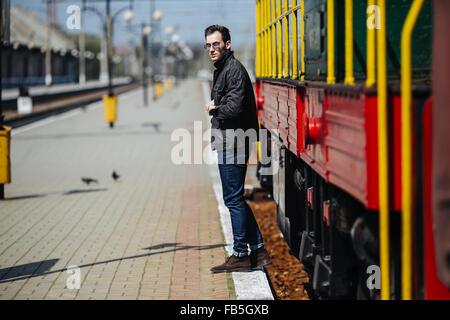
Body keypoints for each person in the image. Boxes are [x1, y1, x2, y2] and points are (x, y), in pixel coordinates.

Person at [204, 25, 271, 273]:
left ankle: (241, 253)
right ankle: (259, 249)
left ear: (227, 45)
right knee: (235, 198)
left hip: (234, 140)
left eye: (216, 44)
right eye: (208, 45)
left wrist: (214, 107)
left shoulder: (234, 71)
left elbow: (233, 107)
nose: (212, 49)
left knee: (232, 199)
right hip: (228, 139)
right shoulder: (224, 69)